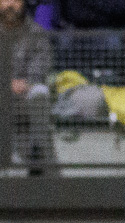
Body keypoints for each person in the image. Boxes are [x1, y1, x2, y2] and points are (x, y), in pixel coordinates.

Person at [3, 0, 53, 171]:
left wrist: (28, 82)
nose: (10, 4)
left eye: (15, 0)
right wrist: (7, 83)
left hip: (26, 92)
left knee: (41, 92)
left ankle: (37, 149)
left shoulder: (36, 32)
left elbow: (42, 65)